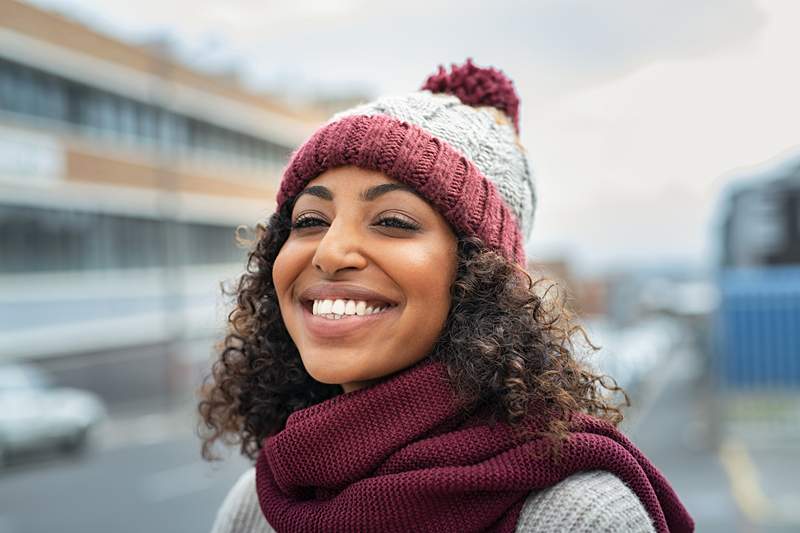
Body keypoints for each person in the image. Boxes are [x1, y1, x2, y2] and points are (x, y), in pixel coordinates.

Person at [198, 58, 694, 533]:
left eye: (392, 221)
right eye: (309, 221)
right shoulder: (256, 507)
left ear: (481, 278)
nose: (330, 253)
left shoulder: (578, 517)